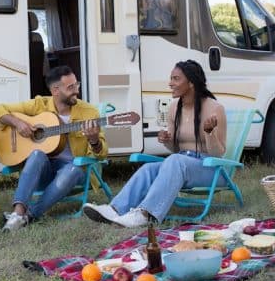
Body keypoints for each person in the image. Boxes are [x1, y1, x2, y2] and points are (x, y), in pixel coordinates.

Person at [82, 60, 226, 227]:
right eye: (171, 78)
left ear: (191, 83)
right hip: (182, 164)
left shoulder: (215, 108)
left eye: (176, 79)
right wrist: (167, 141)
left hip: (211, 169)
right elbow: (176, 150)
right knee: (148, 168)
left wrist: (209, 132)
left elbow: (218, 154)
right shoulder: (174, 107)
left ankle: (145, 213)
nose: (170, 83)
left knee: (175, 160)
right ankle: (114, 209)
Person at [0, 65, 108, 231]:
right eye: (71, 87)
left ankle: (29, 216)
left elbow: (102, 155)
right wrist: (18, 123)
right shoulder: (40, 105)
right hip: (43, 171)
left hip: (71, 171)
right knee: (37, 153)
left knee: (74, 169)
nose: (76, 91)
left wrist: (94, 140)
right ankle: (18, 213)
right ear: (55, 90)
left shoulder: (89, 112)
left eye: (77, 85)